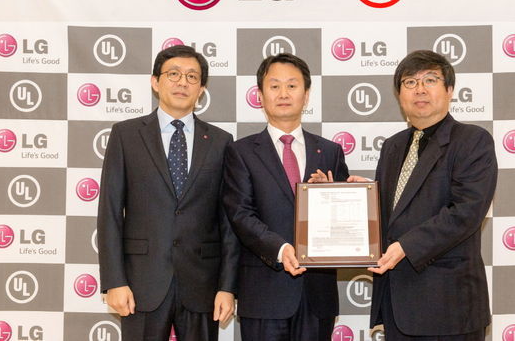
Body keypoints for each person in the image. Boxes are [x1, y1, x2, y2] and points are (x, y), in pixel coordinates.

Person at [97, 45, 239, 341]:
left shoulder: (220, 141)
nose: (182, 82)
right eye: (173, 74)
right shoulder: (126, 135)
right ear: (155, 81)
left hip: (202, 283)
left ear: (201, 88)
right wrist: (114, 281)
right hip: (140, 282)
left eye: (192, 76)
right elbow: (110, 212)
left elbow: (229, 221)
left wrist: (227, 286)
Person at [354, 50, 497, 340]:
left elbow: (466, 212)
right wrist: (355, 196)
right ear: (399, 95)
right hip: (398, 304)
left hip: (449, 306)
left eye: (430, 80)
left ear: (449, 90)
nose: (419, 89)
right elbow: (399, 208)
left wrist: (406, 246)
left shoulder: (472, 140)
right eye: (410, 82)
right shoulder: (393, 147)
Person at [223, 53, 349, 341]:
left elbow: (343, 222)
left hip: (317, 295)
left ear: (306, 95)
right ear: (260, 95)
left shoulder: (330, 151)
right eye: (274, 86)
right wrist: (280, 249)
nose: (283, 93)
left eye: (292, 85)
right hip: (264, 293)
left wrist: (332, 195)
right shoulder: (241, 152)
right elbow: (240, 214)